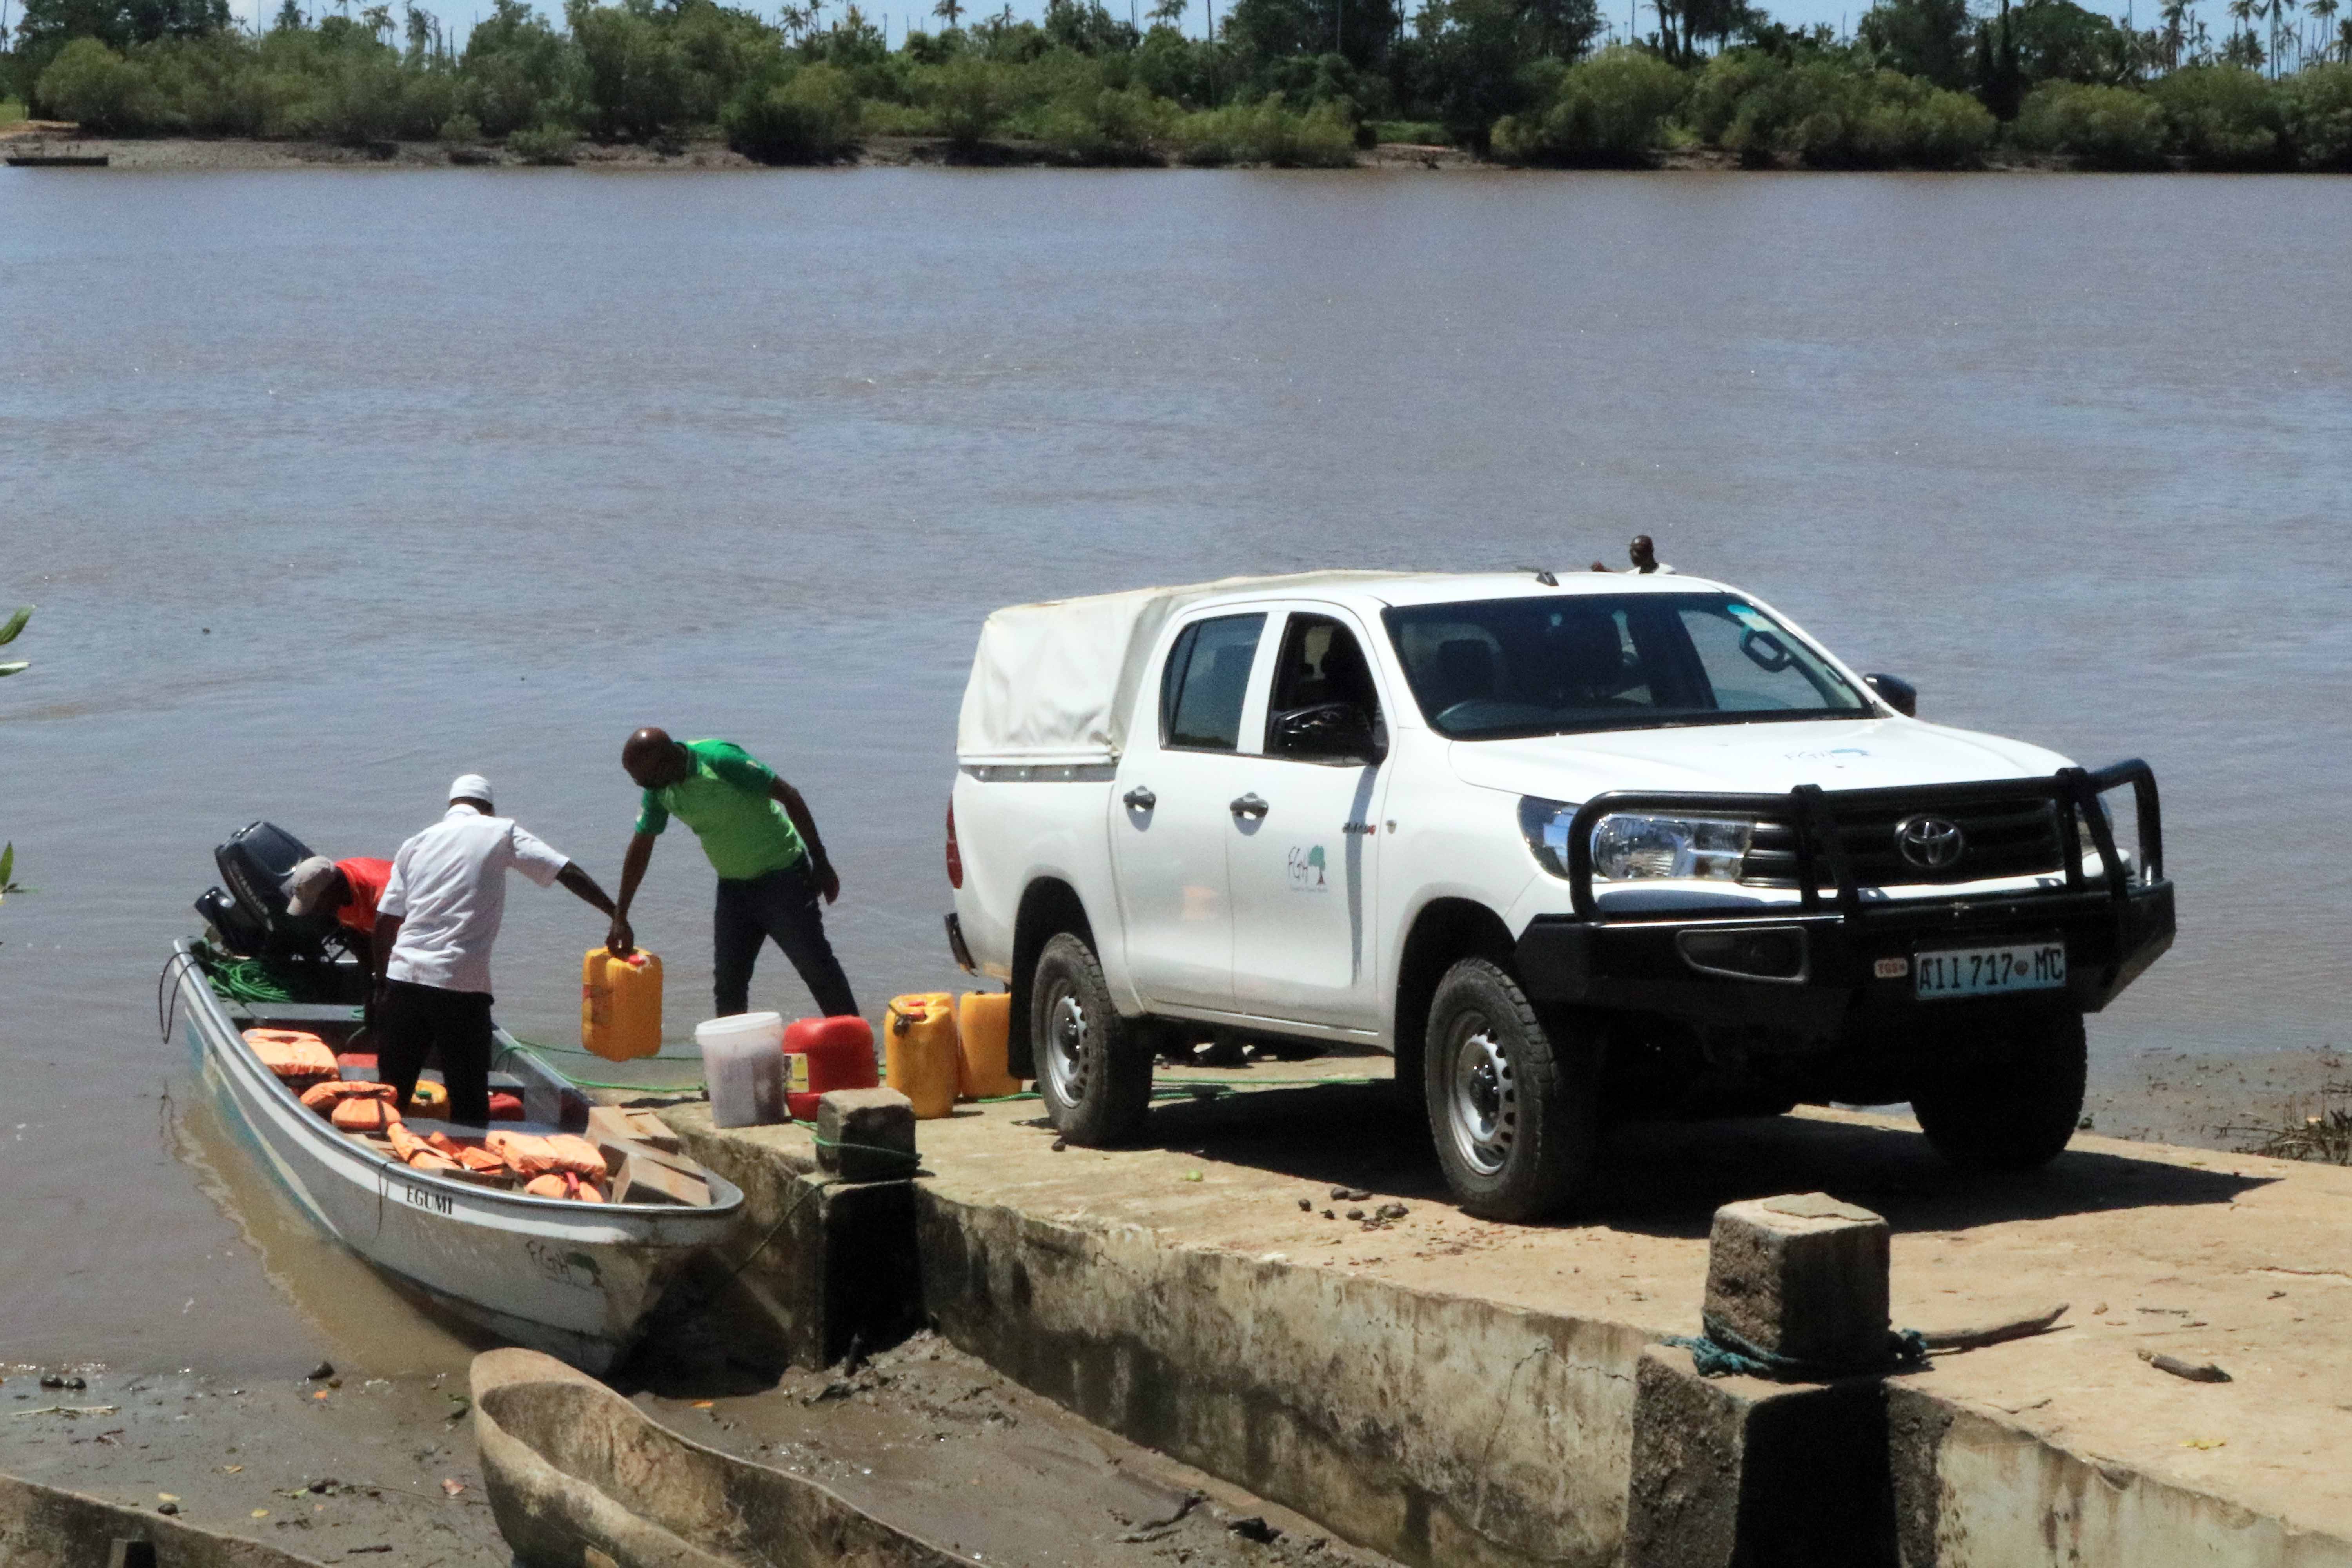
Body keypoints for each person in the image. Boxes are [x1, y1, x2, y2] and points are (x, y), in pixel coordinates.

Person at [372, 775, 619, 1126]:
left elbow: (385, 921)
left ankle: (384, 1156)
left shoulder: (415, 843)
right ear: (488, 808)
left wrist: (381, 986)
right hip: (460, 986)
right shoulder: (500, 832)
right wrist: (616, 914)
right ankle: (472, 1169)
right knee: (470, 1102)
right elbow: (565, 870)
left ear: (451, 806)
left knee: (392, 1095)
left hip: (403, 981)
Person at [606, 729, 858, 1021]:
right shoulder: (659, 791)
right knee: (728, 984)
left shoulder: (720, 760)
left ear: (665, 764)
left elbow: (790, 796)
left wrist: (821, 862)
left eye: (643, 779)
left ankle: (857, 1048)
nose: (641, 786)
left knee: (815, 967)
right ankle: (733, 1060)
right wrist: (620, 916)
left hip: (784, 877)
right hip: (733, 890)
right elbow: (640, 850)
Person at [284, 854, 393, 944]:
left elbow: (401, 946)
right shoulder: (331, 880)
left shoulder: (385, 895)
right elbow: (356, 935)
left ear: (332, 889)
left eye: (315, 905)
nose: (316, 911)